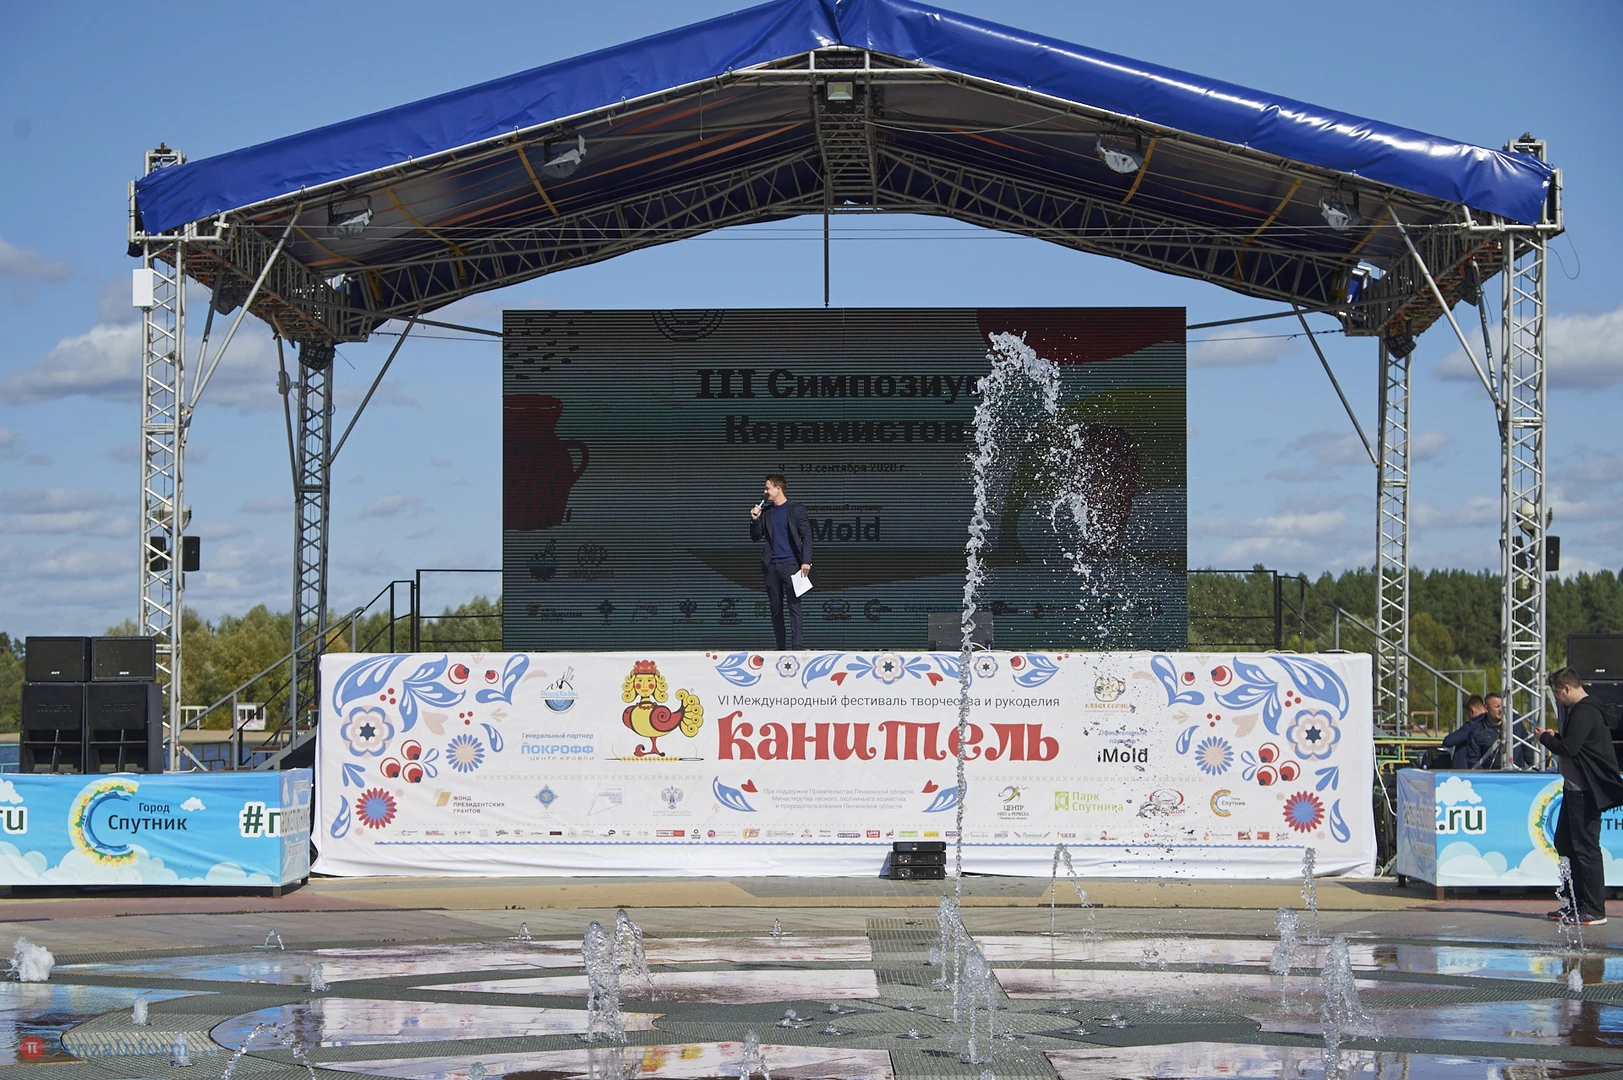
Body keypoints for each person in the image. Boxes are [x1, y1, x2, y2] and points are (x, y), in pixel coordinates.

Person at [1539, 667, 1623, 926]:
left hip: (1585, 792)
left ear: (1567, 688)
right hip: (1573, 789)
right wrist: (1555, 737)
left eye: (1557, 693)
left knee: (1586, 848)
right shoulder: (1581, 711)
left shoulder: (1585, 711)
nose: (1557, 699)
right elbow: (1576, 743)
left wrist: (1545, 739)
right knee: (1564, 843)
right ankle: (1574, 902)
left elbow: (1570, 748)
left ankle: (1595, 908)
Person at [748, 473, 812, 650]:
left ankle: (796, 645)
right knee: (775, 607)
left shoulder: (796, 509)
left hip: (791, 564)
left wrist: (806, 561)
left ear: (778, 489)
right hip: (772, 566)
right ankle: (780, 646)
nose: (765, 491)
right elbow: (755, 536)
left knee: (794, 605)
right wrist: (754, 520)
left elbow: (807, 536)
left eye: (767, 488)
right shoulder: (767, 512)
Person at [1441, 694, 1499, 770]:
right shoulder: (1492, 724)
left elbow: (1448, 741)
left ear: (1472, 711)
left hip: (1470, 769)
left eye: (1467, 714)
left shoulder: (1473, 725)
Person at [1487, 691, 1536, 769]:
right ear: (1486, 708)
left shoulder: (1516, 723)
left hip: (1517, 772)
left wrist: (1534, 768)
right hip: (1492, 773)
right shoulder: (1479, 729)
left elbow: (1527, 748)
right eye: (1497, 707)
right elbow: (1474, 757)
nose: (1501, 710)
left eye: (1503, 706)